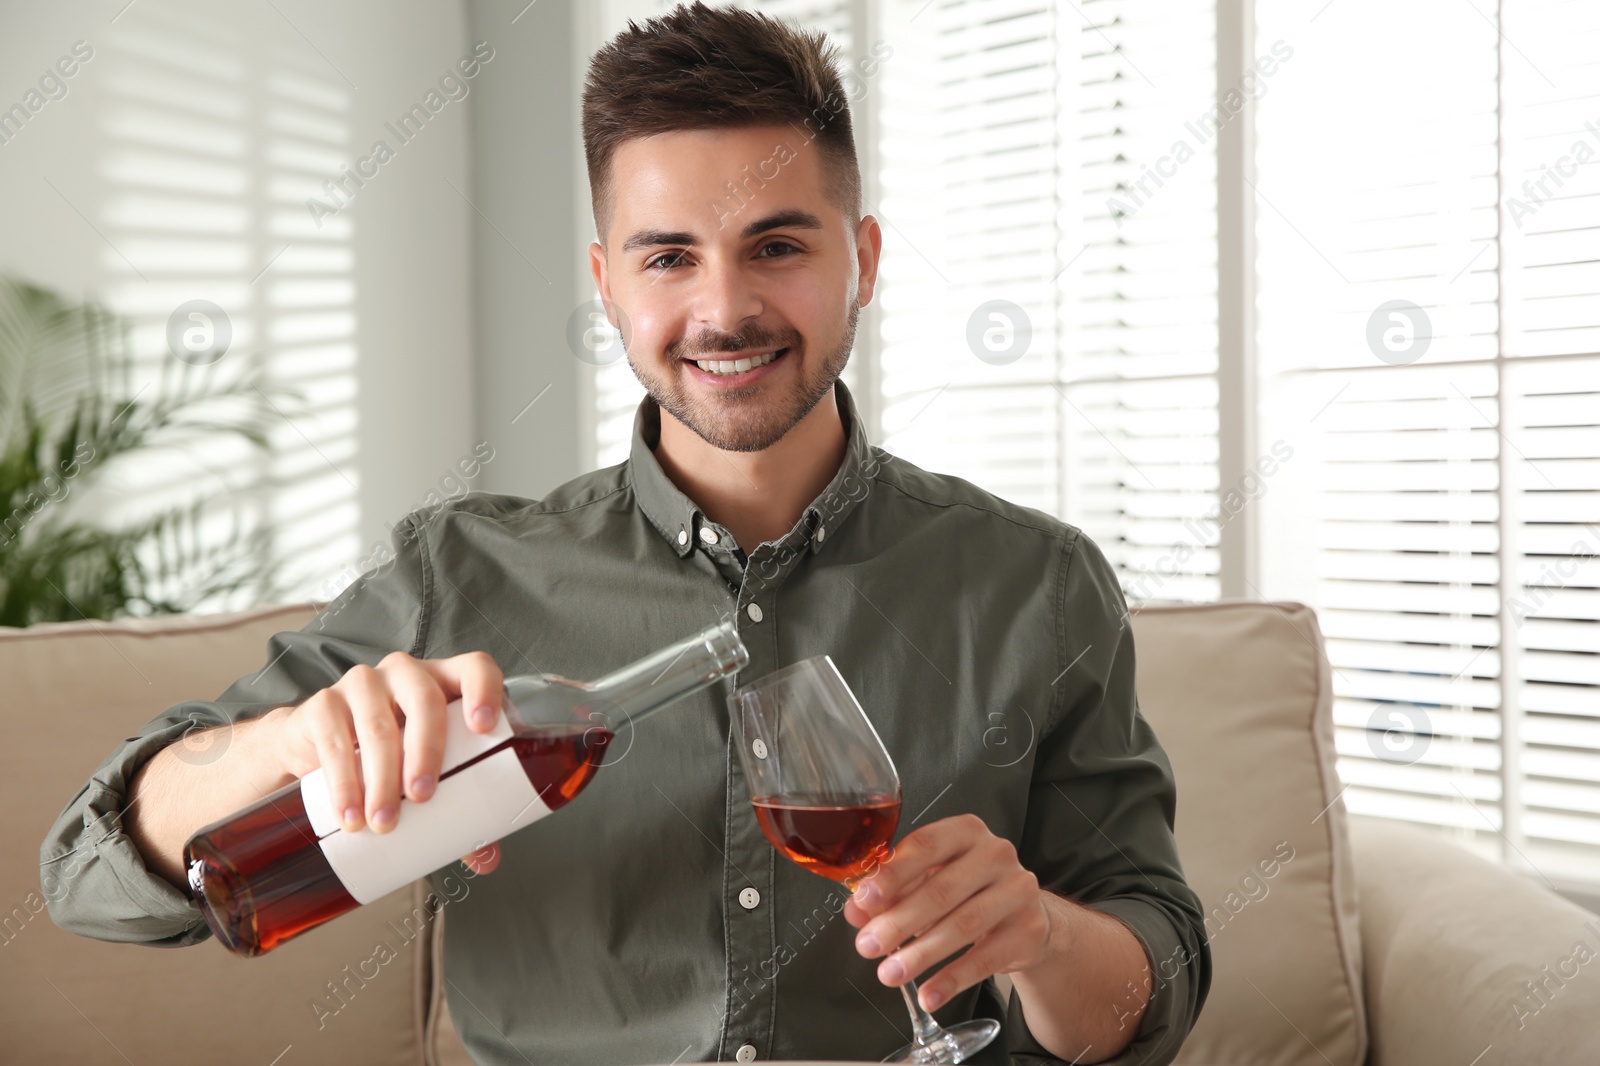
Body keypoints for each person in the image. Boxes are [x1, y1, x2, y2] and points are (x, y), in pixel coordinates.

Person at [41, 3, 1210, 1063]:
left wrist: (1045, 935)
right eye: (668, 257)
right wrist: (286, 743)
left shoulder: (1035, 582)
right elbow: (87, 877)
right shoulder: (460, 573)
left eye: (779, 244)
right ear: (607, 285)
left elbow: (1150, 981)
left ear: (863, 260)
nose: (724, 308)